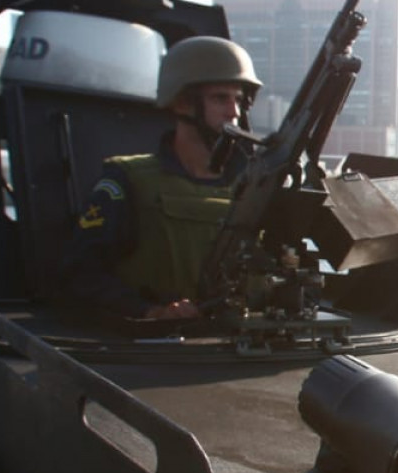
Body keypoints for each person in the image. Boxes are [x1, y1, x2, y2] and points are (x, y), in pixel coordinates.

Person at [62, 35, 261, 319]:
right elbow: (81, 274)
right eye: (220, 99)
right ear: (182, 104)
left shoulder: (253, 187)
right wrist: (150, 312)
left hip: (245, 345)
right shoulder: (128, 180)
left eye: (239, 100)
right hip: (157, 351)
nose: (234, 113)